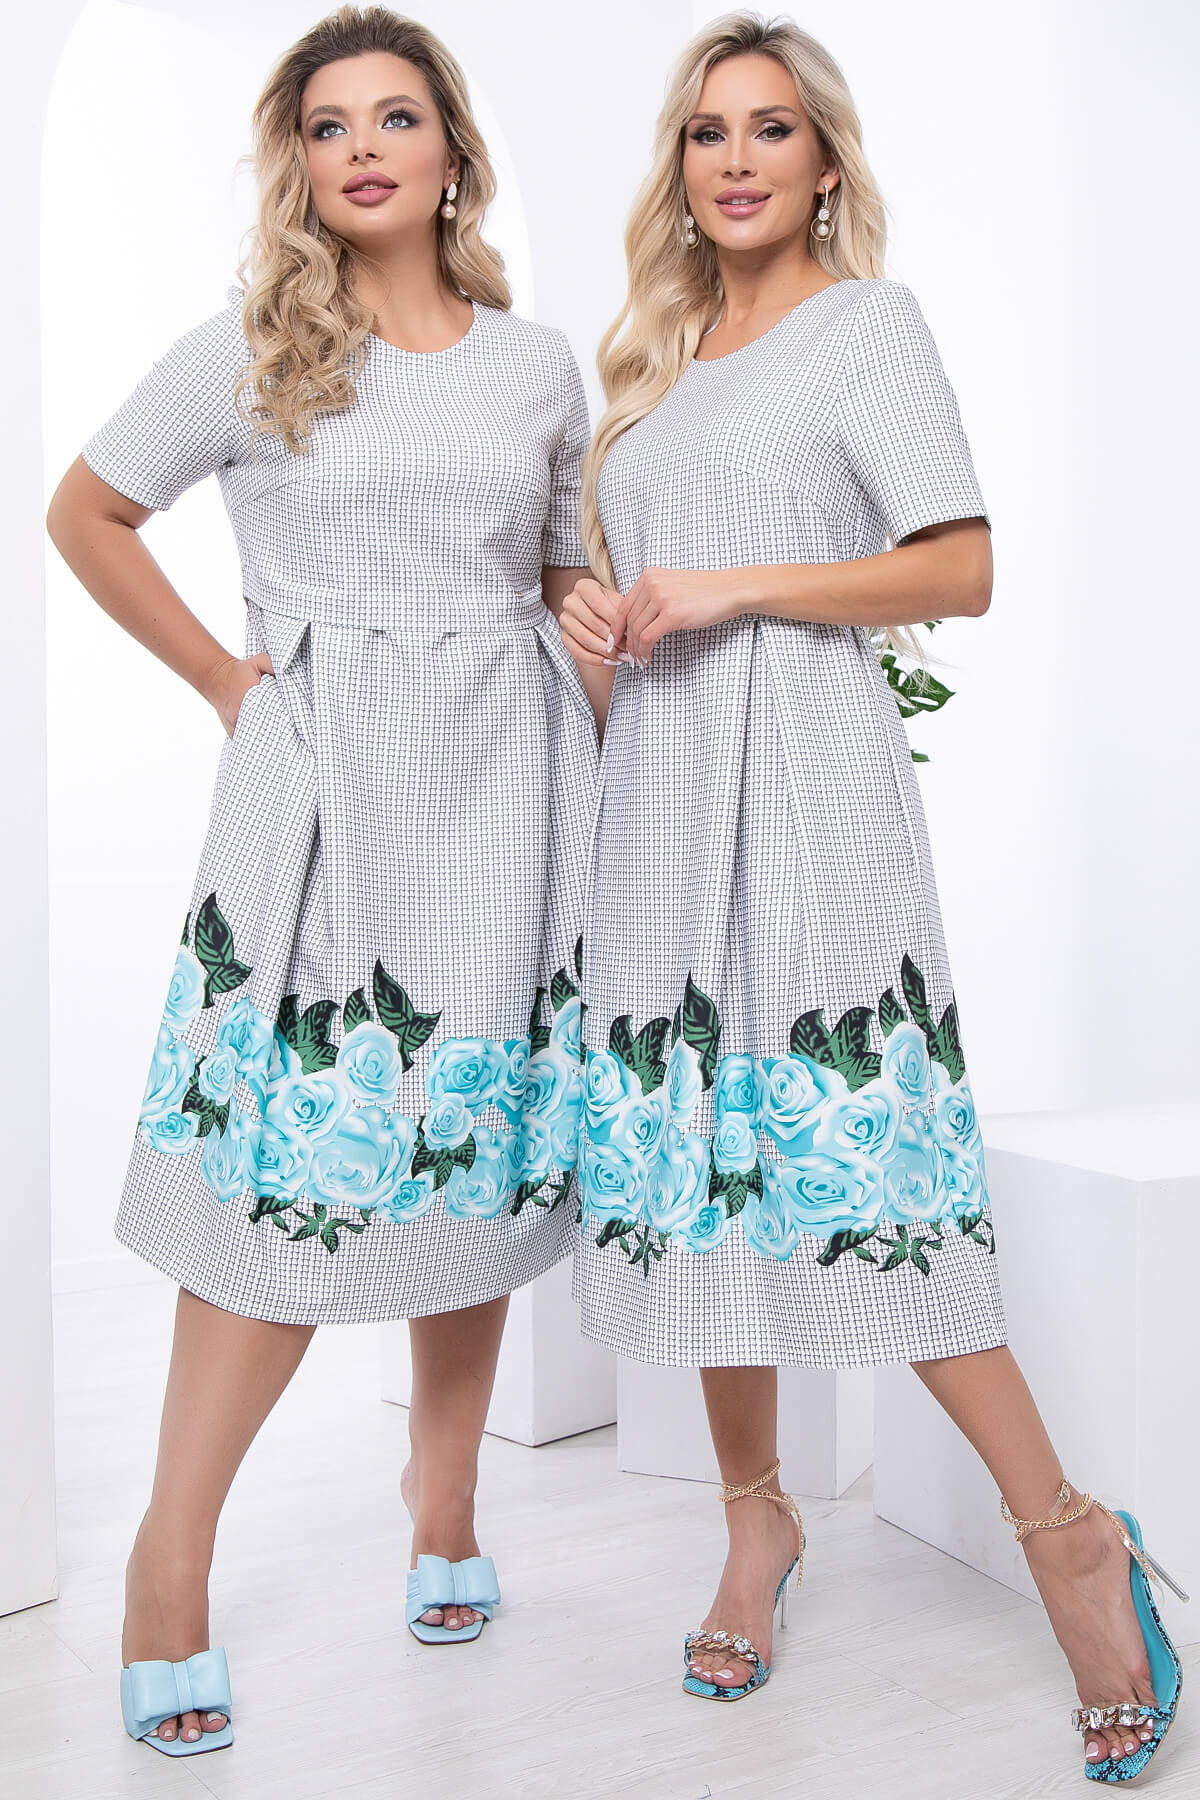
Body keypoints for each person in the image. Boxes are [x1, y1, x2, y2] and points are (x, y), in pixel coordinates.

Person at [559, 10, 1185, 1781]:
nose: (737, 159)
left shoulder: (869, 329)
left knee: (874, 1183)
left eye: (771, 127)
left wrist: (736, 585)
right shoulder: (657, 367)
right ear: (680, 167)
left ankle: (1070, 1536)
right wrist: (600, 620)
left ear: (826, 159)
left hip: (812, 804)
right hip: (660, 804)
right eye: (707, 132)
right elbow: (629, 618)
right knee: (702, 1190)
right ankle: (755, 1522)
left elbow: (960, 569)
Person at [46, 4, 595, 1758]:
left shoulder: (536, 366)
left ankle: (447, 1500)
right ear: (300, 161)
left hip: (512, 786)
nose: (364, 147)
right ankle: (168, 1560)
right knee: (284, 1182)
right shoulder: (252, 347)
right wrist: (228, 680)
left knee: (471, 1150)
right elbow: (84, 511)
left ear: (453, 156)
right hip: (327, 795)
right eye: (329, 122)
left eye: (397, 116)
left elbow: (561, 569)